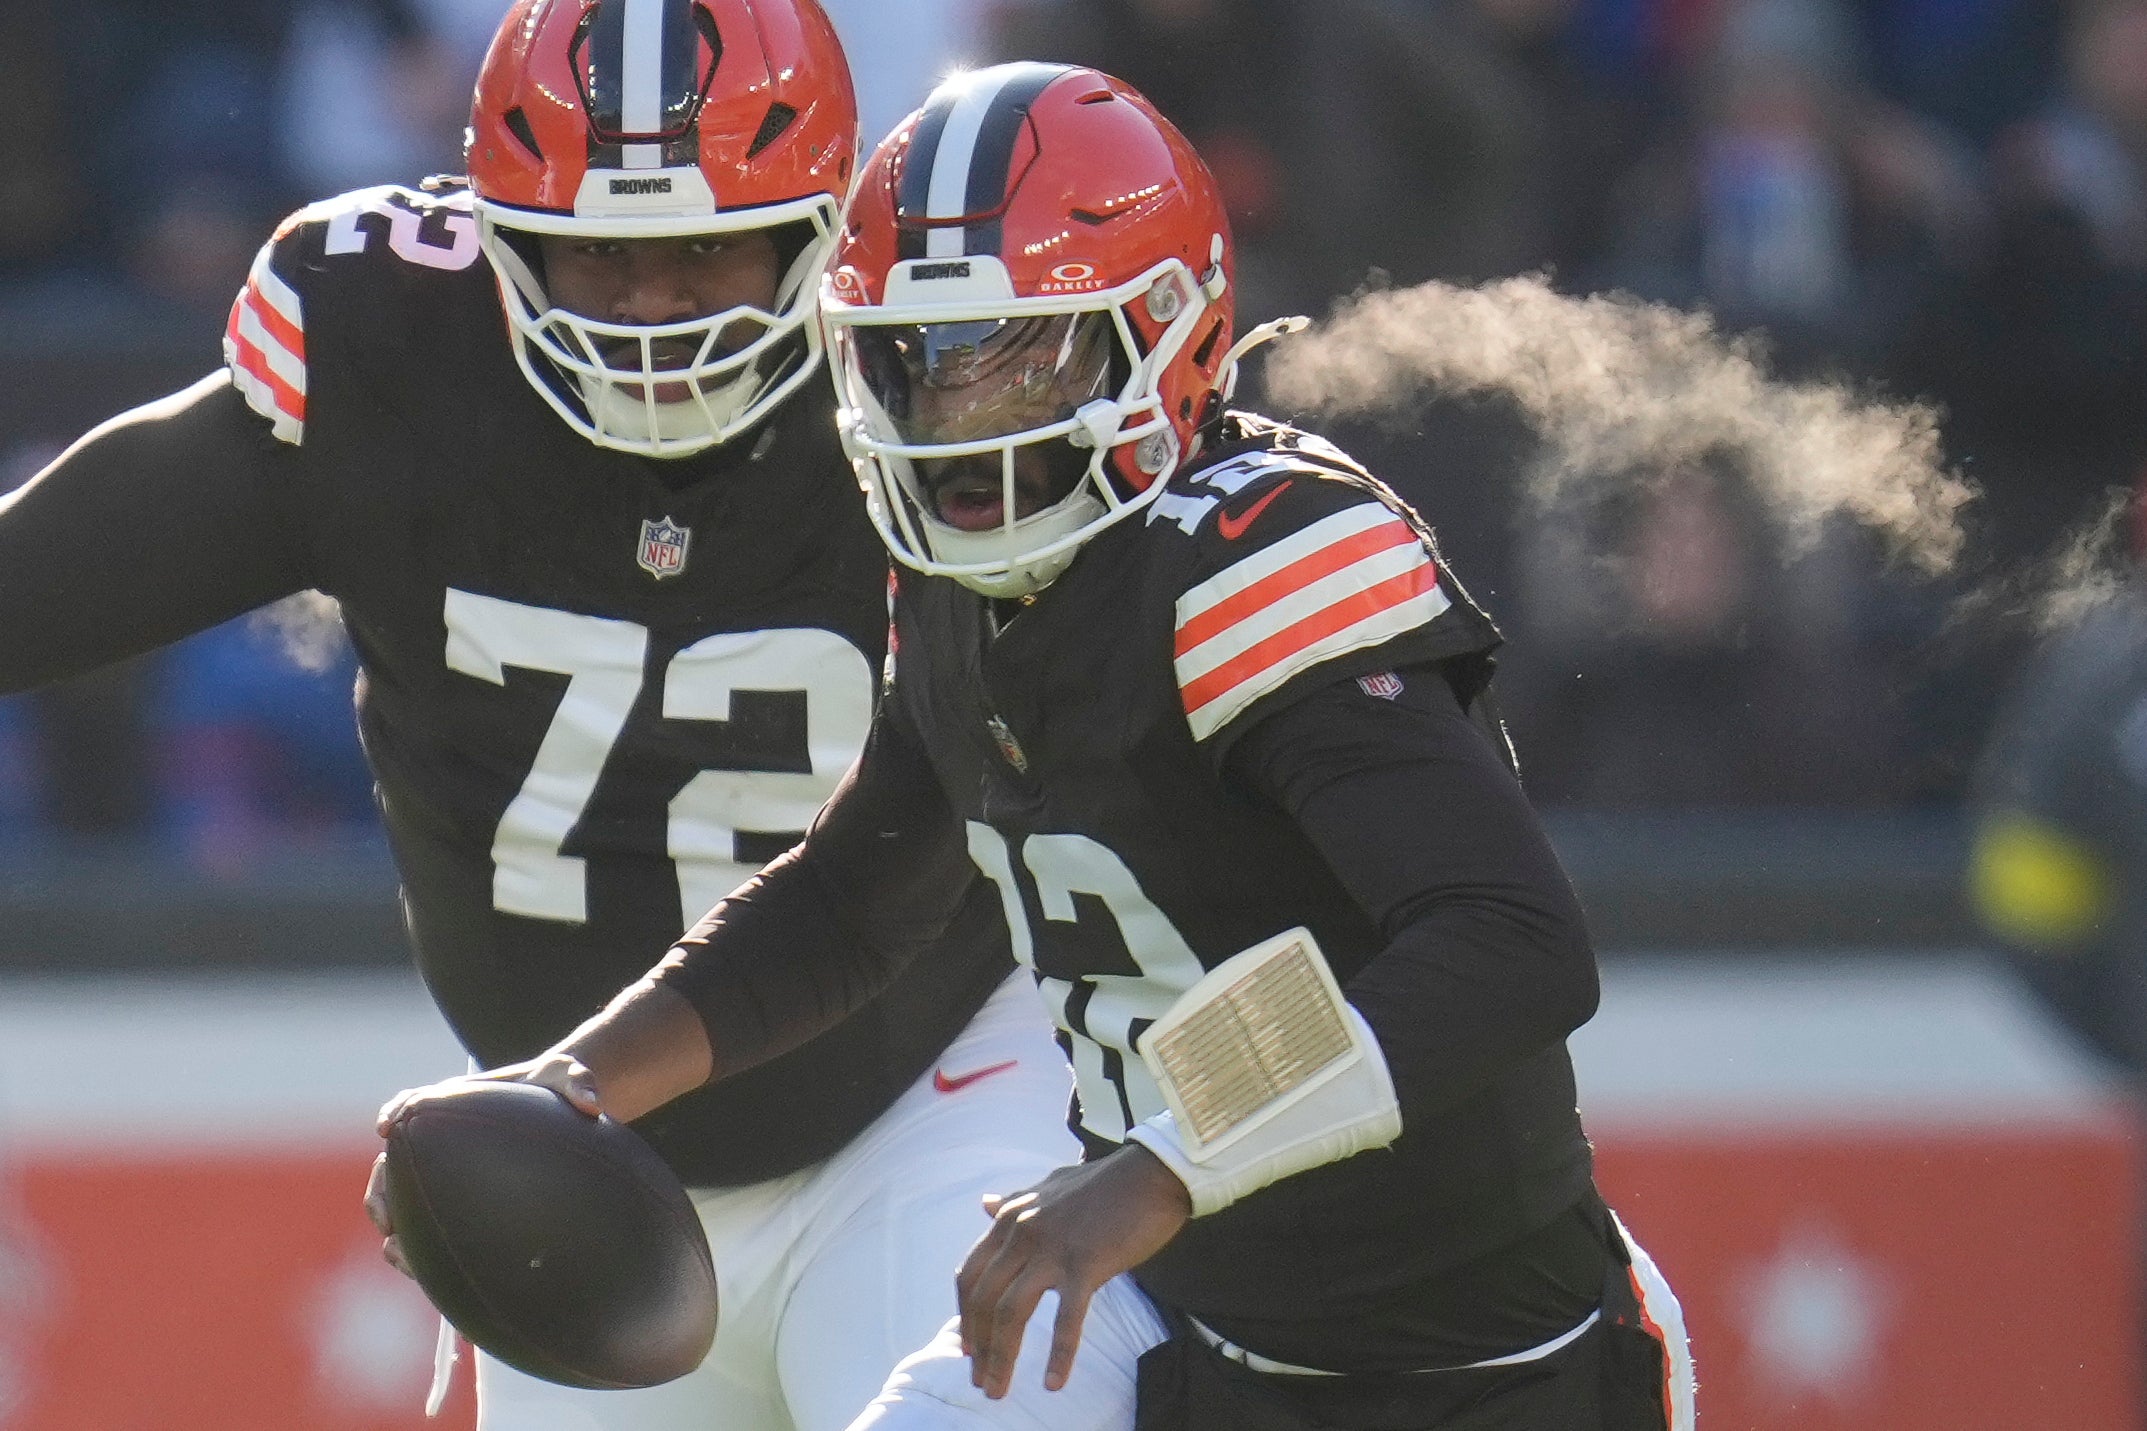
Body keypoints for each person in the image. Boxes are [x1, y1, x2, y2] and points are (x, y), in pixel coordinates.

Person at [397, 61, 1696, 1430]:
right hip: (1171, 1309)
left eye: (1016, 353)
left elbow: (1509, 941)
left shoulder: (1250, 559)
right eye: (915, 360)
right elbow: (853, 900)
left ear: (1167, 328)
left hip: (1486, 1357)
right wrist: (568, 1088)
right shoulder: (963, 578)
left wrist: (1159, 1167)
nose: (960, 418)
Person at [0, 4, 1077, 1430]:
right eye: (599, 255)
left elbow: (885, 881)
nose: (652, 309)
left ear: (822, 231)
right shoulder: (399, 358)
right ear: (498, 236)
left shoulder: (939, 387)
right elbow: (48, 585)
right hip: (580, 1190)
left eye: (707, 249)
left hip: (930, 1102)